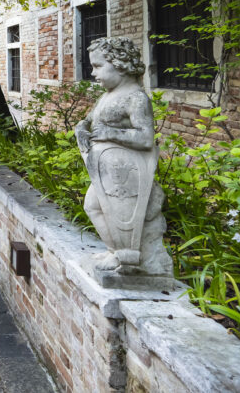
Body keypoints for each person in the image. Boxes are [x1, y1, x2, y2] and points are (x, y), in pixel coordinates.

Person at [74, 37, 173, 277]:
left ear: (120, 64)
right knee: (93, 206)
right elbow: (89, 119)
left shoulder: (135, 98)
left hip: (126, 173)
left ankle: (129, 255)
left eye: (98, 67)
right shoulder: (107, 96)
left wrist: (110, 133)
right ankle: (114, 250)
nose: (93, 73)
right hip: (107, 171)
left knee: (102, 207)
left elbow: (146, 138)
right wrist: (81, 127)